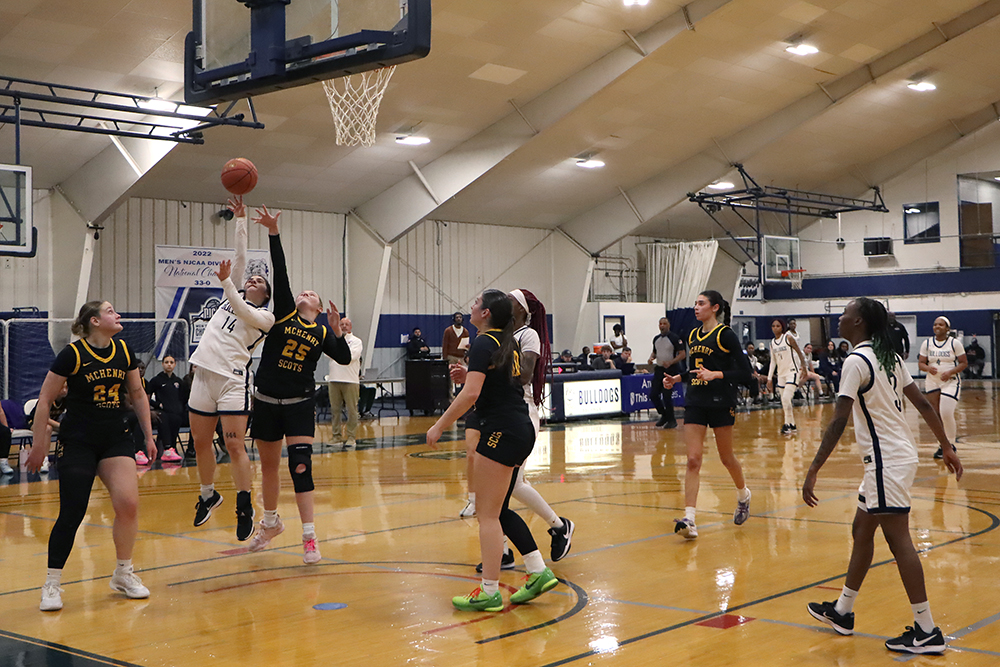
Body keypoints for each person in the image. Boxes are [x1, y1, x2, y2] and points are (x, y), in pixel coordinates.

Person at [803, 298, 962, 655]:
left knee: (898, 539)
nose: (839, 318)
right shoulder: (888, 357)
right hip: (895, 457)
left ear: (859, 321)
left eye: (845, 314)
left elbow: (838, 421)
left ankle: (927, 630)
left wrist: (813, 469)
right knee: (862, 530)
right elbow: (923, 404)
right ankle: (843, 611)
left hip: (885, 461)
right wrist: (946, 445)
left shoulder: (856, 361)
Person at [428, 289, 558, 612]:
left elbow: (472, 394)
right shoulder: (507, 341)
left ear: (485, 313)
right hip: (520, 427)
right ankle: (538, 571)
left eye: (476, 303)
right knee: (498, 509)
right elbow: (496, 382)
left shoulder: (484, 342)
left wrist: (440, 424)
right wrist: (469, 375)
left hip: (502, 430)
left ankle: (489, 591)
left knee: (486, 514)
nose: (471, 306)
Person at [27, 300, 156, 611]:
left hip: (114, 438)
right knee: (72, 512)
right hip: (79, 440)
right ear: (94, 321)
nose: (118, 314)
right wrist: (38, 444)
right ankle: (52, 583)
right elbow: (45, 399)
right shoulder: (72, 354)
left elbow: (137, 394)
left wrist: (149, 436)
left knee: (128, 504)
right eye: (110, 311)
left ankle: (123, 573)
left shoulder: (123, 350)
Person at [244, 207, 351, 563]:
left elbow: (344, 358)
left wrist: (336, 331)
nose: (305, 292)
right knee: (268, 467)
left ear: (318, 308)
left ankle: (309, 537)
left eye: (312, 293)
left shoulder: (320, 331)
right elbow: (281, 270)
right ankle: (270, 523)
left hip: (299, 404)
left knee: (300, 466)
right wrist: (273, 232)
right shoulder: (286, 312)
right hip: (266, 399)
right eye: (303, 291)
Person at [458, 289, 575, 563]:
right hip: (497, 412)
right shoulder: (497, 336)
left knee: (512, 486)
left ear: (522, 309)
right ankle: (504, 551)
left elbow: (524, 375)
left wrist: (488, 372)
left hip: (520, 412)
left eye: (510, 301)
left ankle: (558, 527)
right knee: (498, 492)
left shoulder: (527, 335)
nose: (505, 304)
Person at [188, 196, 276, 541]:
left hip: (232, 381)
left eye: (258, 282)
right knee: (200, 442)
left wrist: (227, 283)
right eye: (249, 279)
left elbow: (241, 308)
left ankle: (244, 505)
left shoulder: (265, 317)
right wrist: (240, 219)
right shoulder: (232, 294)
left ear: (265, 295)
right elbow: (240, 259)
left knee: (234, 445)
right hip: (203, 374)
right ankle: (208, 495)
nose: (251, 280)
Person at [663, 291, 754, 539]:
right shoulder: (693, 334)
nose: (696, 307)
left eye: (701, 303)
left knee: (726, 458)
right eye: (695, 303)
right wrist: (678, 378)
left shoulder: (725, 335)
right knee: (693, 459)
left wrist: (717, 375)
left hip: (721, 401)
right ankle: (689, 519)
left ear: (714, 308)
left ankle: (743, 495)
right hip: (696, 400)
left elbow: (746, 373)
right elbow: (696, 369)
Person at [917, 316, 967, 460]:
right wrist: (928, 368)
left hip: (950, 381)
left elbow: (963, 363)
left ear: (947, 328)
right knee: (936, 415)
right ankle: (942, 445)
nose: (937, 326)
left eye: (940, 324)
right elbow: (921, 363)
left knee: (946, 412)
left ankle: (951, 444)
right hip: (932, 381)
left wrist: (950, 372)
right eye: (935, 324)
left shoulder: (954, 343)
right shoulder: (927, 343)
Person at [328, 317, 364, 449]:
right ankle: (336, 436)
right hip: (334, 379)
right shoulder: (333, 339)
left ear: (351, 326)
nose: (344, 326)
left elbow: (350, 357)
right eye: (341, 324)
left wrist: (338, 352)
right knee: (335, 410)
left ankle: (351, 437)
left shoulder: (356, 341)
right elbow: (329, 354)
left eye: (346, 324)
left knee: (352, 410)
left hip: (350, 380)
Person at [767, 318, 808, 435]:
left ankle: (786, 424)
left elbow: (799, 352)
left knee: (786, 398)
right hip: (781, 374)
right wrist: (769, 378)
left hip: (792, 372)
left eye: (778, 326)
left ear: (782, 327)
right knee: (785, 401)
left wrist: (804, 367)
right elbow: (773, 361)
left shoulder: (788, 338)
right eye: (773, 326)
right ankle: (792, 424)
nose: (775, 328)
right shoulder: (772, 343)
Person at [146, 355, 186, 463]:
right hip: (163, 412)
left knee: (176, 420)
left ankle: (172, 448)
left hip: (176, 413)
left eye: (171, 362)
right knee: (163, 419)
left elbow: (183, 398)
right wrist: (157, 405)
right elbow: (147, 397)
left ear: (175, 364)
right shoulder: (156, 380)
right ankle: (167, 448)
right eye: (167, 362)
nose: (169, 364)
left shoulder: (178, 381)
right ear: (162, 364)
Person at [648, 316, 686, 429]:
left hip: (670, 370)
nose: (662, 326)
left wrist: (671, 362)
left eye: (664, 324)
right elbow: (655, 352)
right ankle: (664, 415)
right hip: (659, 369)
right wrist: (651, 358)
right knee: (653, 394)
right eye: (660, 324)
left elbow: (682, 354)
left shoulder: (674, 338)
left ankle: (672, 420)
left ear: (668, 325)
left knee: (666, 395)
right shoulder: (656, 339)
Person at [442, 313, 470, 393]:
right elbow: (445, 345)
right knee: (451, 377)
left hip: (461, 357)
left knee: (463, 377)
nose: (458, 319)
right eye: (457, 317)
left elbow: (466, 346)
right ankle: (451, 395)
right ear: (454, 319)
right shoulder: (448, 330)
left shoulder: (465, 331)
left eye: (460, 317)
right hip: (451, 356)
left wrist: (467, 354)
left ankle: (462, 394)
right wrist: (445, 358)